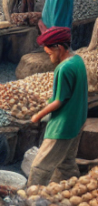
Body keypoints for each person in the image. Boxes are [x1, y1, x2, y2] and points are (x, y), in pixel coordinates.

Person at [27, 26, 88, 186]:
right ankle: (74, 189)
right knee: (66, 163)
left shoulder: (64, 68)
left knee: (39, 167)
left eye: (49, 53)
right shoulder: (78, 60)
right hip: (78, 120)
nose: (49, 57)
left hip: (63, 125)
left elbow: (58, 101)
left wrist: (37, 116)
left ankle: (31, 202)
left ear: (59, 47)